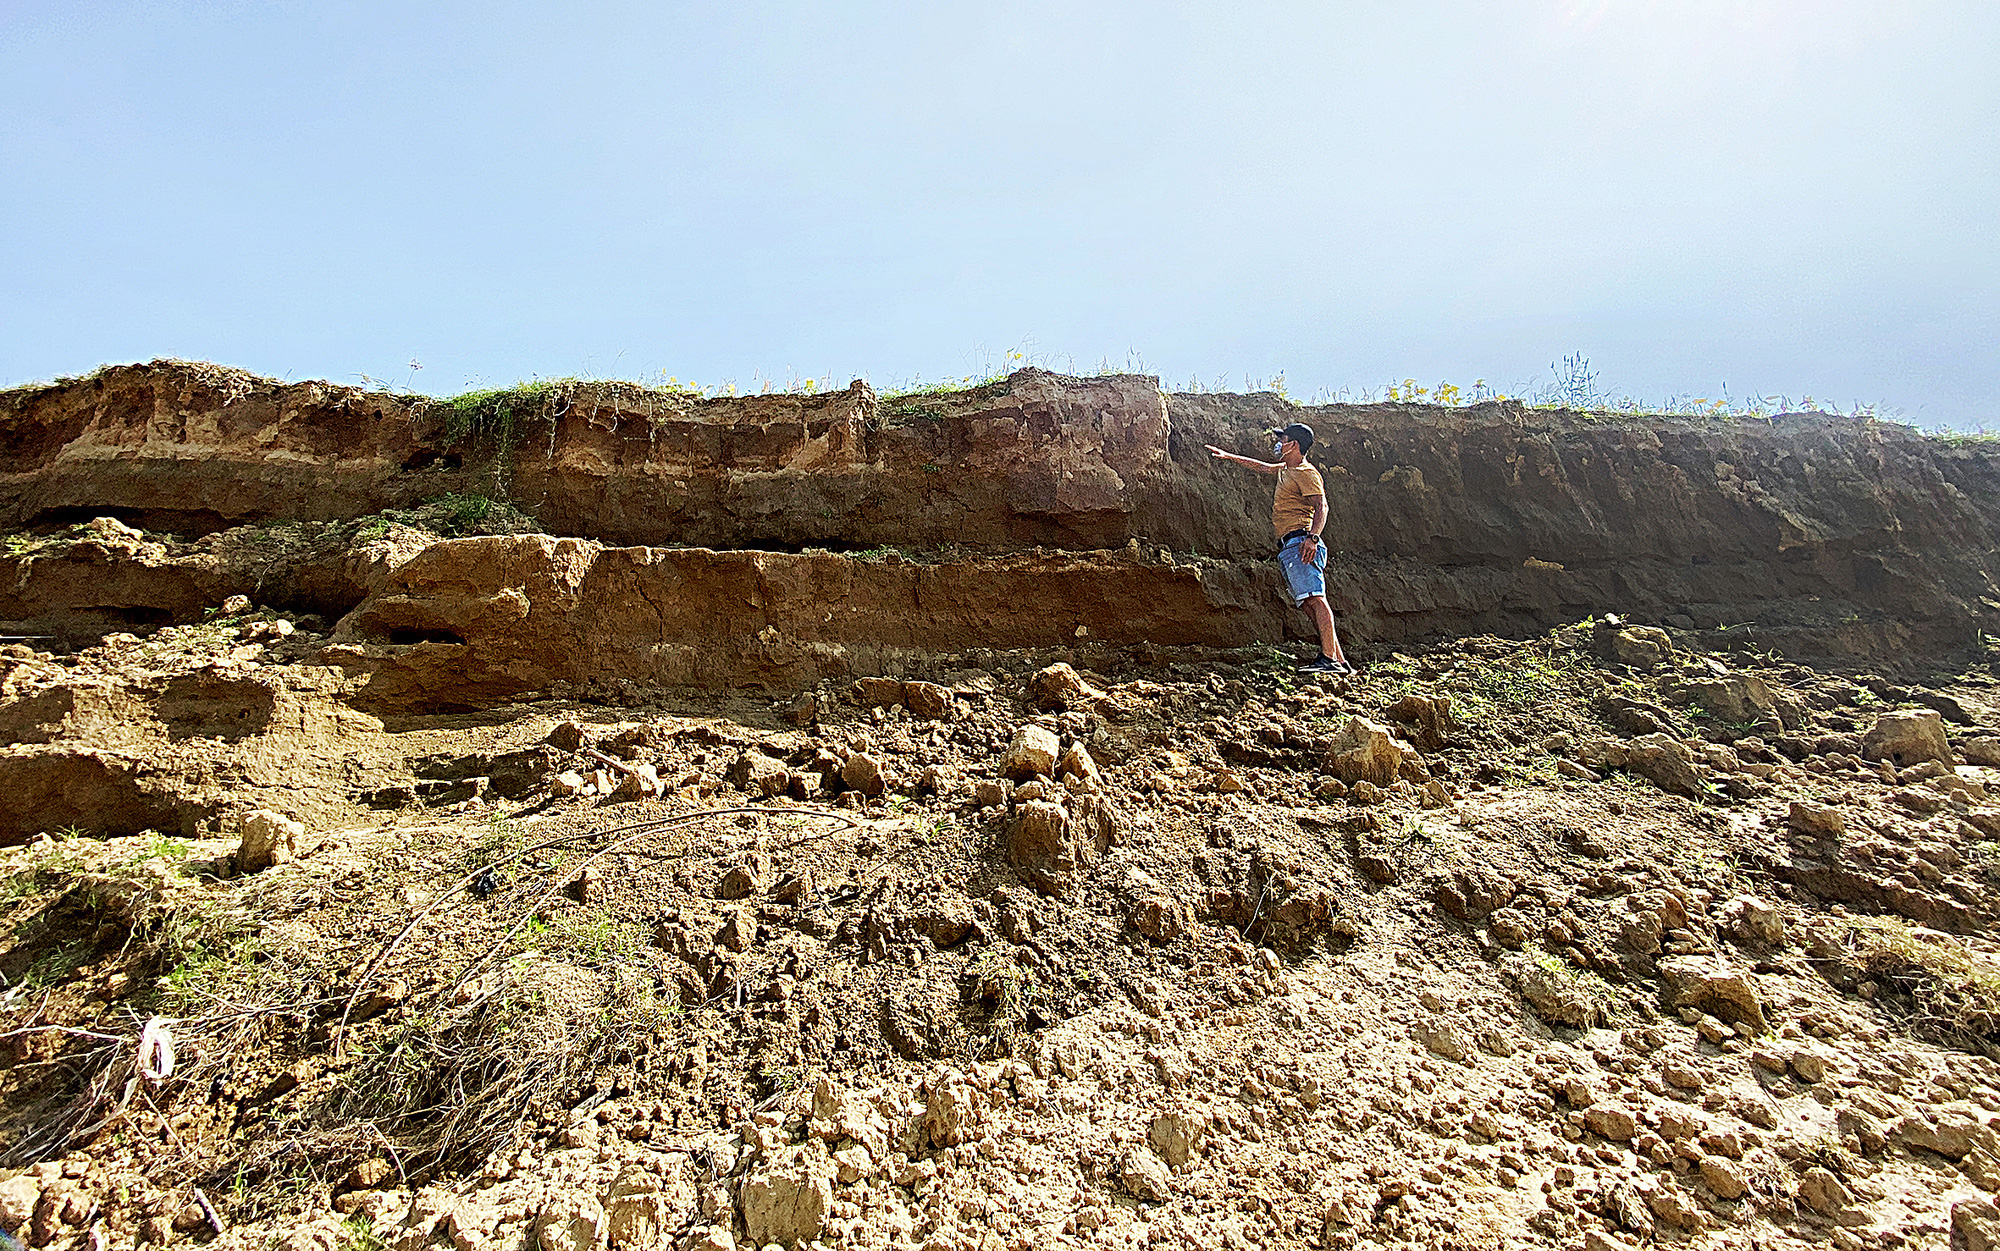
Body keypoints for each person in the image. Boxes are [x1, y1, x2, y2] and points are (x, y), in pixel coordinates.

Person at [1205, 421, 1354, 674]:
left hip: (1301, 542)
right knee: (1308, 603)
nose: (1279, 443)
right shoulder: (1287, 468)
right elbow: (1262, 467)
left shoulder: (1306, 473)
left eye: (1283, 439)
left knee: (1316, 600)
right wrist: (1229, 456)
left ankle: (1329, 659)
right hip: (1289, 545)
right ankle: (1339, 661)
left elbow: (1322, 506)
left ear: (1293, 444)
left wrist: (1313, 539)